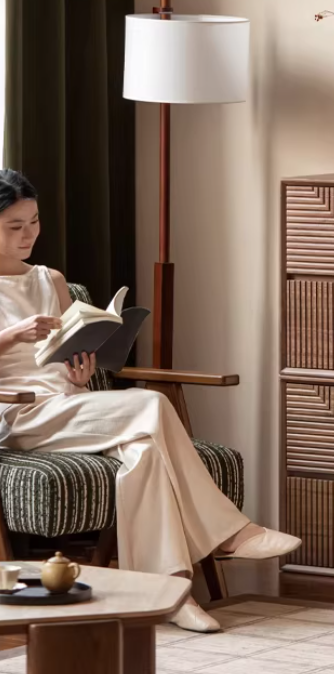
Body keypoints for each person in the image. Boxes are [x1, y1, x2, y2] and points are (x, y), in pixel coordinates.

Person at [0, 169, 300, 633]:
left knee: (143, 456)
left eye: (34, 221)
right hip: (22, 413)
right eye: (14, 226)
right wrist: (12, 334)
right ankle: (230, 533)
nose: (28, 235)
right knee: (152, 405)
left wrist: (80, 370)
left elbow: (66, 358)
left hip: (70, 405)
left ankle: (169, 592)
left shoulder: (51, 279)